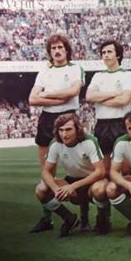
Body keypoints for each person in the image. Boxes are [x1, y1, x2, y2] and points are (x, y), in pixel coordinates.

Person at [28, 33, 85, 233]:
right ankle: (50, 218)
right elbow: (33, 99)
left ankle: (85, 217)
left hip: (69, 118)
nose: (57, 51)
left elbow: (72, 93)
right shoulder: (44, 71)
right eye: (53, 48)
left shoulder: (75, 68)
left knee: (80, 167)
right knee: (47, 174)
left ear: (67, 49)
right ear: (49, 51)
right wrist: (58, 98)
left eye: (61, 47)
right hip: (46, 120)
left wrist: (47, 94)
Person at [85, 40, 131, 230]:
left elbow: (125, 100)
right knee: (104, 173)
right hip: (102, 124)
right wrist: (113, 94)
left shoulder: (127, 74)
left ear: (118, 55)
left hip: (121, 123)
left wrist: (103, 96)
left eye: (109, 52)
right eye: (103, 52)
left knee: (126, 171)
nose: (106, 55)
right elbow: (89, 97)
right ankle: (103, 216)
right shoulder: (98, 76)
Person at [34, 113, 109, 237]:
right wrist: (56, 189)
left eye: (68, 129)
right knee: (41, 189)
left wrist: (73, 186)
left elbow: (100, 171)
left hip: (92, 182)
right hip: (71, 181)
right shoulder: (55, 143)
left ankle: (102, 219)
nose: (64, 134)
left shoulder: (89, 141)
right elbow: (46, 172)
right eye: (61, 130)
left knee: (100, 189)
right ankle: (69, 218)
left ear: (77, 129)